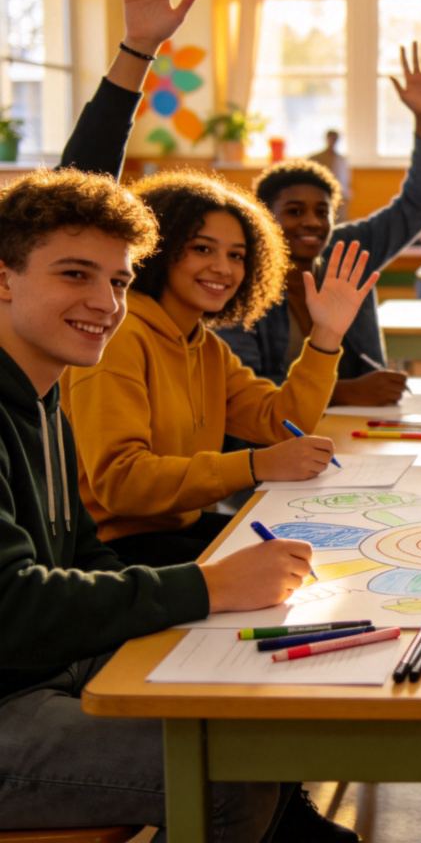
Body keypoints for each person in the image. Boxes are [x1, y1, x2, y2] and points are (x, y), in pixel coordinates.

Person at [0, 166, 355, 842]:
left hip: (46, 660)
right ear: (3, 278)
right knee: (232, 768)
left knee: (256, 690)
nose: (106, 301)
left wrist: (205, 598)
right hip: (15, 691)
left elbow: (82, 554)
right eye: (75, 275)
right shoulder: (72, 370)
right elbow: (14, 606)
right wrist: (205, 586)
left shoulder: (45, 394)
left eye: (119, 281)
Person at [62, 169, 378, 567]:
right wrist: (255, 464)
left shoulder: (205, 345)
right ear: (157, 248)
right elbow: (121, 483)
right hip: (112, 549)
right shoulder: (119, 336)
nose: (223, 269)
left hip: (175, 528)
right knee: (293, 572)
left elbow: (285, 419)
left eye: (237, 256)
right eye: (202, 249)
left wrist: (327, 335)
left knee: (328, 550)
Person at [217, 42, 421, 407]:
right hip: (283, 438)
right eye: (294, 211)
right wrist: (343, 392)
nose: (311, 221)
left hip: (368, 428)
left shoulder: (349, 250)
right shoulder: (239, 279)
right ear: (265, 216)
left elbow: (420, 203)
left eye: (322, 212)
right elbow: (243, 390)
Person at [309, 129, 350, 220]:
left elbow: (345, 179)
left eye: (335, 139)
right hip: (321, 193)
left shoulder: (341, 160)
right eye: (331, 139)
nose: (333, 142)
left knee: (339, 219)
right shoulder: (316, 158)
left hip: (340, 195)